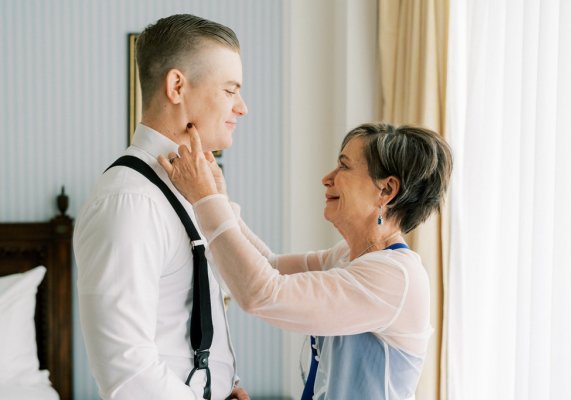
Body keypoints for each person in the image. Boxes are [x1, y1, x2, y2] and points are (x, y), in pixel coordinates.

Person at [159, 122, 453, 399]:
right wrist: (219, 198)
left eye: (344, 166)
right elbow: (270, 266)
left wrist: (204, 199)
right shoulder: (347, 256)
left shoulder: (396, 278)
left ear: (386, 190)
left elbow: (262, 293)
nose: (327, 178)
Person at [74, 14, 249, 400]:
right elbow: (127, 370)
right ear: (177, 86)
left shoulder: (189, 187)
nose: (242, 108)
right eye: (230, 90)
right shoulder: (130, 202)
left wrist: (223, 384)